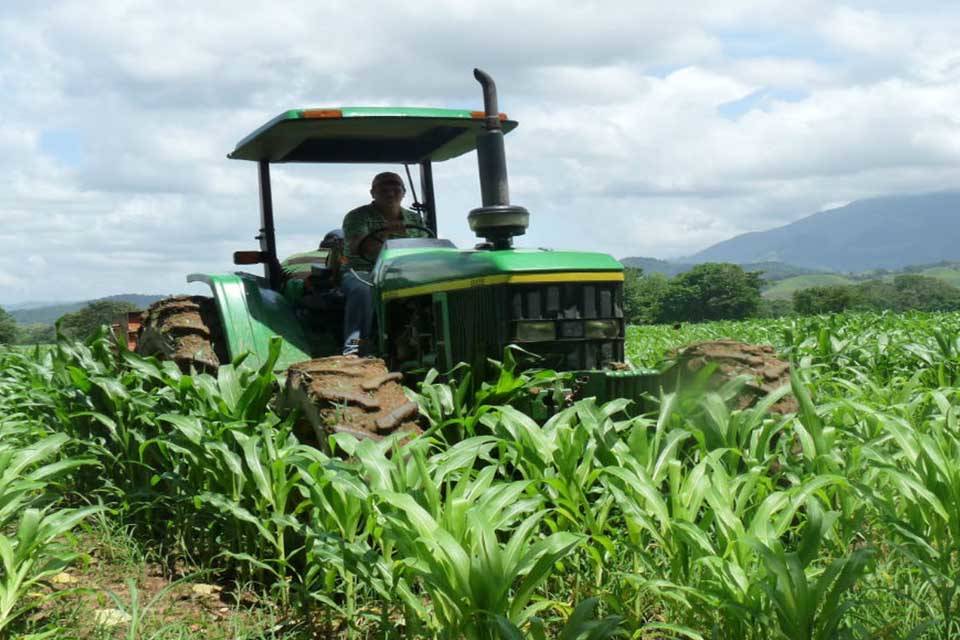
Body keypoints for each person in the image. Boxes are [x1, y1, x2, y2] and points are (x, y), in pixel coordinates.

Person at [340, 171, 429, 355]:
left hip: (406, 272)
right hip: (364, 271)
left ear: (404, 192)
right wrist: (385, 233)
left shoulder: (414, 218)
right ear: (373, 193)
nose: (390, 193)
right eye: (383, 189)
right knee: (363, 288)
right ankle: (355, 347)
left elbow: (425, 245)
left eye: (395, 188)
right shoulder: (357, 216)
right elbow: (358, 246)